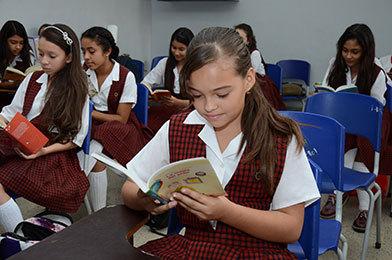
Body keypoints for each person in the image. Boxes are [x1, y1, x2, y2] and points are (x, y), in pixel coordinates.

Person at [122, 27, 320, 259]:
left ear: (248, 79)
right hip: (193, 247)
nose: (208, 106)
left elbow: (291, 228)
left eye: (222, 94)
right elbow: (129, 187)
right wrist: (144, 200)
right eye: (196, 95)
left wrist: (226, 212)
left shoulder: (279, 138)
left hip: (256, 251)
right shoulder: (178, 127)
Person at [0, 24, 90, 232]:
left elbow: (76, 138)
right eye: (40, 53)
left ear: (68, 58)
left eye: (52, 55)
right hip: (20, 144)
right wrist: (4, 123)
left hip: (51, 154)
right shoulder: (32, 79)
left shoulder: (77, 90)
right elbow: (11, 113)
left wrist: (42, 150)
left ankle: (22, 240)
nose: (44, 61)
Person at [320, 23, 390, 233]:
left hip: (372, 123)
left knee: (358, 147)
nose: (348, 56)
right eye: (345, 50)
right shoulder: (335, 64)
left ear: (366, 52)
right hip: (343, 121)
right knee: (342, 139)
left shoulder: (377, 72)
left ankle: (363, 208)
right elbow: (326, 91)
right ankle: (335, 195)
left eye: (355, 52)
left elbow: (378, 106)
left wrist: (357, 106)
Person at [80, 26, 153, 212]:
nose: (86, 57)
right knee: (93, 151)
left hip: (121, 127)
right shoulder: (83, 73)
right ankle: (96, 211)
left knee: (102, 132)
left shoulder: (125, 75)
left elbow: (121, 118)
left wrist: (90, 113)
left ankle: (78, 187)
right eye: (83, 51)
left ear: (108, 51)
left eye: (91, 51)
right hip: (91, 125)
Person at [142, 27, 194, 133]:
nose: (176, 53)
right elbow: (145, 83)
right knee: (146, 124)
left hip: (189, 110)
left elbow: (201, 102)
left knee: (177, 127)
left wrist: (178, 103)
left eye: (181, 49)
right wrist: (151, 94)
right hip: (167, 109)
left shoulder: (197, 67)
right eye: (174, 48)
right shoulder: (165, 63)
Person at [234, 23, 285, 110]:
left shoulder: (254, 53)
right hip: (245, 80)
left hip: (259, 83)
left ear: (248, 41)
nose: (237, 41)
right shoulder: (235, 53)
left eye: (241, 39)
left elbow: (251, 71)